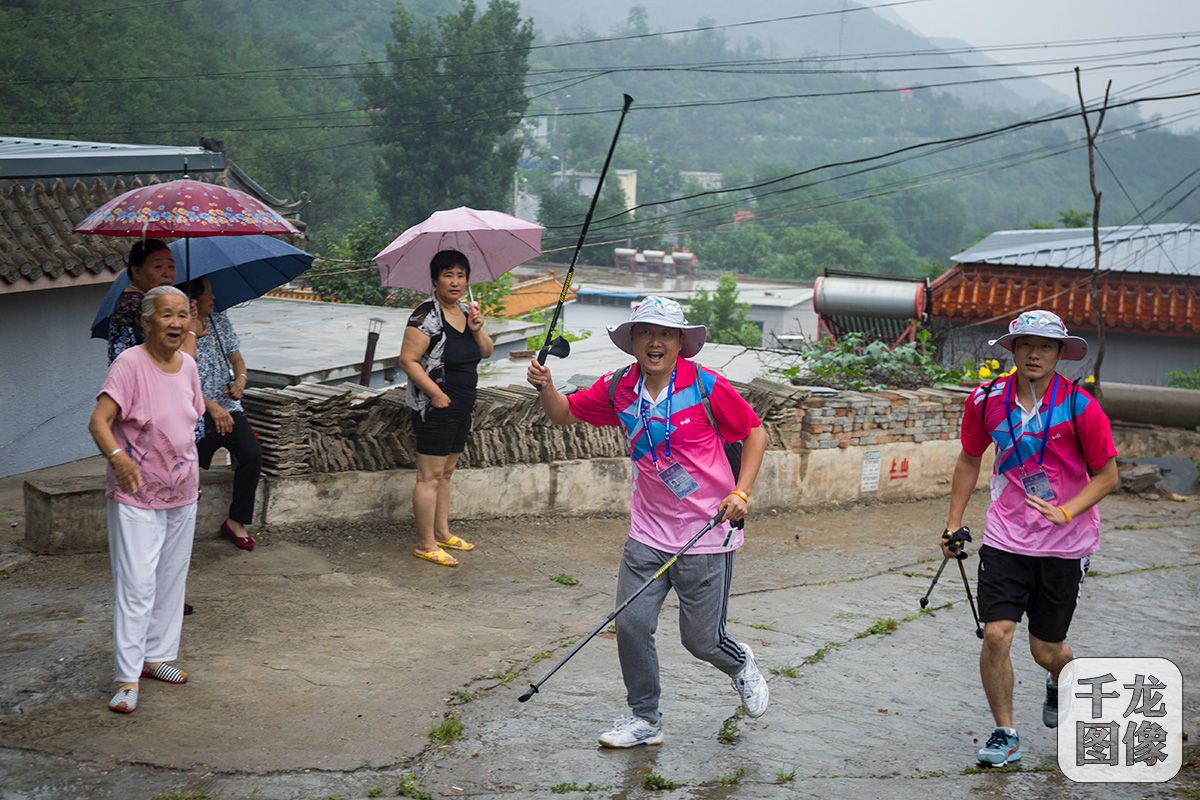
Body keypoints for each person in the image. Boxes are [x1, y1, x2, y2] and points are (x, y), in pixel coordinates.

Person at [526, 296, 770, 748]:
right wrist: (546, 384)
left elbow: (755, 432)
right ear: (633, 341)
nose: (654, 342)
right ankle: (645, 720)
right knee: (632, 626)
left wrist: (742, 492)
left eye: (665, 334)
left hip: (706, 532)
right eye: (645, 332)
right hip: (647, 532)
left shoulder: (707, 386)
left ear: (680, 343)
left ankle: (740, 664)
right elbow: (562, 413)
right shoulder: (618, 386)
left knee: (701, 641)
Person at [942, 309, 1119, 767]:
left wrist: (1066, 511)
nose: (1034, 353)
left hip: (1066, 543)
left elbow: (1107, 476)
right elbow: (969, 458)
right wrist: (953, 522)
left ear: (1061, 354)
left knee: (1046, 650)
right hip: (1006, 536)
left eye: (1045, 346)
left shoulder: (1080, 407)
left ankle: (1063, 676)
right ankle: (1005, 732)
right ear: (1013, 350)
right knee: (997, 635)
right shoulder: (987, 400)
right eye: (1025, 344)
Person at [88, 286, 205, 714]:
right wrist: (119, 459)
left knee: (171, 579)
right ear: (147, 321)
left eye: (183, 315)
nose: (176, 323)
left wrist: (190, 473)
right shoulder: (129, 365)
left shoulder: (189, 366)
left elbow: (188, 422)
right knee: (136, 584)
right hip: (136, 493)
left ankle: (157, 657)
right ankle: (126, 675)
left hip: (182, 491)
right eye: (167, 315)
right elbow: (99, 422)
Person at [399, 250, 494, 567]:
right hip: (434, 407)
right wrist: (436, 394)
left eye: (461, 275)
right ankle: (425, 543)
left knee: (447, 473)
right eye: (448, 275)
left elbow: (487, 351)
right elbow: (408, 361)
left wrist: (478, 327)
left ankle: (441, 532)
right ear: (435, 279)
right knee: (430, 475)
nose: (455, 282)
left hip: (463, 406)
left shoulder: (467, 312)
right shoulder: (424, 316)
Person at [185, 277, 263, 550]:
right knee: (187, 463)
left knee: (251, 454)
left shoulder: (220, 321)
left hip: (227, 406)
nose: (214, 298)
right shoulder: (181, 329)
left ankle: (236, 520)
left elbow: (237, 359)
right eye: (209, 293)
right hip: (194, 410)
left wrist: (240, 380)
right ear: (194, 299)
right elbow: (182, 379)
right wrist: (211, 407)